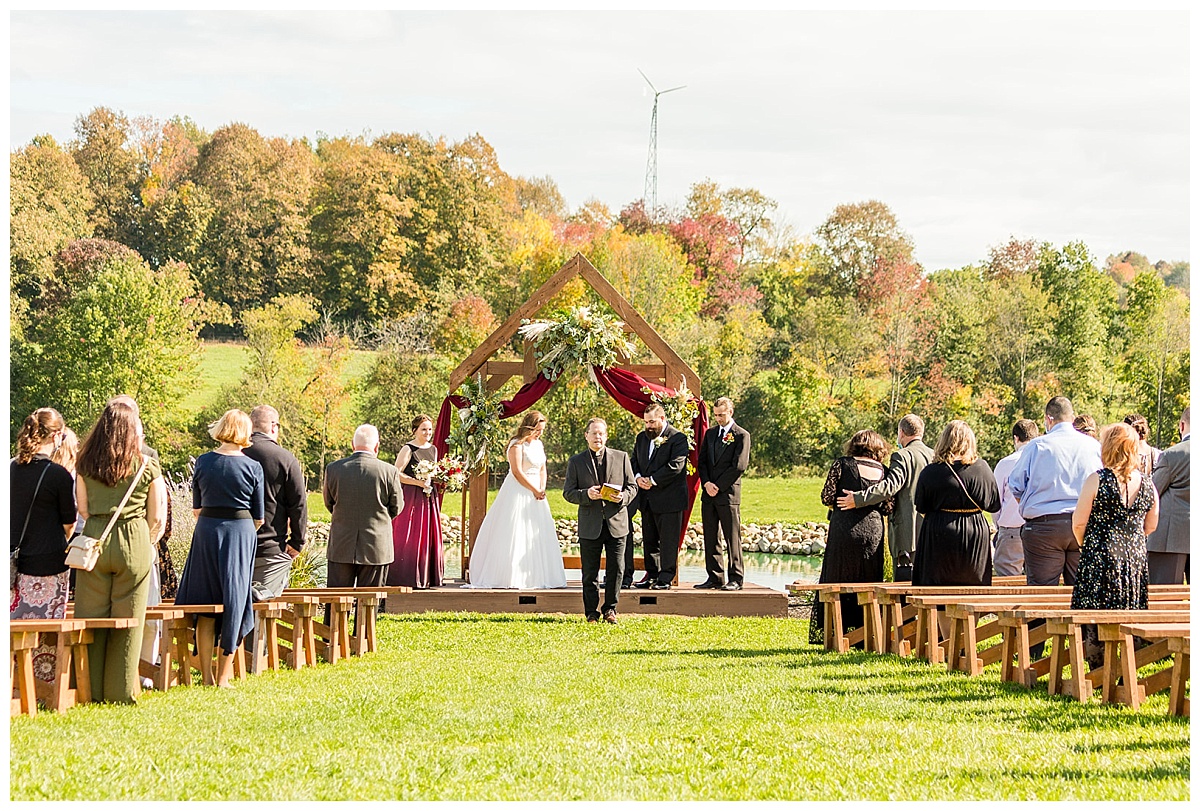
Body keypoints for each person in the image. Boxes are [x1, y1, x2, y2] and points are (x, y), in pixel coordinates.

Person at [74, 401, 166, 703]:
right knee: (129, 619)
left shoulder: (84, 462)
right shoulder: (147, 465)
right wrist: (144, 539)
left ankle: (90, 688)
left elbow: (83, 509)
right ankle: (121, 690)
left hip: (95, 539)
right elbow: (157, 516)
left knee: (91, 617)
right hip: (134, 538)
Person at [175, 409, 264, 688]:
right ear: (246, 432)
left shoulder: (203, 461)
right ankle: (223, 677)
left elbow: (196, 509)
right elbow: (259, 516)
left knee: (205, 602)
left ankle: (206, 676)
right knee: (235, 600)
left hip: (207, 531)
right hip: (240, 532)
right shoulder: (253, 467)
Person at [1070, 423, 1159, 664]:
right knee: (1130, 614)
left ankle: (1099, 671)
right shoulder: (1148, 483)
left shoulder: (1097, 480)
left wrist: (1086, 545)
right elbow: (1151, 525)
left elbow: (1079, 523)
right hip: (1134, 560)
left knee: (1094, 618)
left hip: (1100, 556)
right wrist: (1133, 541)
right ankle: (1129, 668)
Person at [10, 409, 78, 704]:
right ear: (57, 436)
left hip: (12, 563)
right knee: (46, 634)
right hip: (49, 562)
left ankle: (13, 687)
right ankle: (42, 692)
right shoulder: (58, 475)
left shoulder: (10, 469)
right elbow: (69, 522)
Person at [1009, 396, 1104, 586]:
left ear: (1048, 419)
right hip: (1084, 523)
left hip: (1043, 526)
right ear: (1072, 417)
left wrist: (1029, 506)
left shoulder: (1037, 446)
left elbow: (1016, 485)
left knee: (1041, 593)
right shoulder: (1093, 446)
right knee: (1083, 591)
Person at [810, 430, 893, 645]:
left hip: (844, 528)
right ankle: (864, 633)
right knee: (868, 579)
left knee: (836, 578)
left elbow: (827, 496)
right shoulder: (884, 471)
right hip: (872, 530)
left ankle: (833, 630)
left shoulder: (842, 464)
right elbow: (888, 507)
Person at [469, 411, 567, 589]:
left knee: (537, 531)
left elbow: (542, 469)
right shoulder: (516, 444)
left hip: (537, 492)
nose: (539, 433)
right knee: (516, 530)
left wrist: (541, 488)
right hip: (519, 490)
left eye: (542, 430)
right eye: (537, 430)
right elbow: (517, 472)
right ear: (529, 427)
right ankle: (511, 576)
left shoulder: (539, 444)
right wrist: (533, 489)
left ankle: (538, 576)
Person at [836, 413, 934, 581]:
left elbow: (889, 486)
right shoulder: (934, 455)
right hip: (931, 528)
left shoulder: (902, 456)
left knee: (904, 583)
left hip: (907, 532)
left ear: (901, 432)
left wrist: (858, 499)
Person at [563, 417, 638, 622]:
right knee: (590, 573)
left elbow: (632, 487)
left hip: (617, 522)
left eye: (601, 433)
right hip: (590, 524)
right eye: (594, 433)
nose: (598, 437)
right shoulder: (576, 461)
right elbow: (568, 493)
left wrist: (623, 497)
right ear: (586, 436)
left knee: (617, 569)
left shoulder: (621, 457)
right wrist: (587, 494)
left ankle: (610, 609)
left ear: (606, 436)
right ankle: (591, 612)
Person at [912, 420, 1001, 586]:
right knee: (973, 586)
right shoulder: (982, 468)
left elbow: (921, 507)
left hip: (939, 532)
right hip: (975, 533)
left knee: (936, 588)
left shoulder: (931, 472)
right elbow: (993, 504)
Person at [324, 424, 403, 593]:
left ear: (353, 445)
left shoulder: (333, 469)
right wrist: (380, 519)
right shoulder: (389, 471)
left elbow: (329, 503)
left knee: (336, 599)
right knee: (370, 601)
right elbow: (397, 506)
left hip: (341, 544)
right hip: (376, 545)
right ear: (377, 446)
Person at [243, 405, 308, 599]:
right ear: (273, 426)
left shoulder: (235, 453)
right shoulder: (285, 458)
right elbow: (298, 504)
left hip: (236, 546)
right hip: (271, 547)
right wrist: (297, 542)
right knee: (265, 606)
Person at [631, 403, 690, 590]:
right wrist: (638, 477)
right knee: (649, 540)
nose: (648, 426)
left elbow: (676, 466)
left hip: (669, 499)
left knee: (668, 541)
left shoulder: (678, 438)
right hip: (647, 499)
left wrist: (652, 480)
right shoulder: (642, 438)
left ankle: (665, 578)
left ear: (662, 419)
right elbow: (634, 461)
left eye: (652, 422)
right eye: (646, 422)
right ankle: (652, 575)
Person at [696, 397, 751, 591]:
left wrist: (718, 486)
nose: (718, 418)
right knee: (711, 537)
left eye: (722, 414)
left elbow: (739, 466)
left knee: (732, 537)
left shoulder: (741, 435)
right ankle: (715, 577)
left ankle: (736, 578)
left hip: (728, 494)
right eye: (716, 415)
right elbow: (702, 462)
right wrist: (706, 483)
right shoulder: (711, 434)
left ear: (730, 412)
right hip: (708, 494)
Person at [388, 414, 444, 589]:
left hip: (429, 496)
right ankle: (406, 574)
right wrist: (418, 482)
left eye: (429, 429)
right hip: (412, 495)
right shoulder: (408, 449)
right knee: (410, 533)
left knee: (428, 532)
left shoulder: (433, 449)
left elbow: (434, 472)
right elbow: (397, 473)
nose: (428, 432)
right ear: (415, 430)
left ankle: (427, 575)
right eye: (423, 429)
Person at [989, 419, 1040, 577]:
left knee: (1008, 580)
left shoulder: (1005, 463)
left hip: (1011, 528)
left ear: (1016, 438)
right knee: (1038, 579)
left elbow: (995, 501)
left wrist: (999, 524)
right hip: (1040, 528)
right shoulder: (1043, 461)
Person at [1146, 406, 1189, 584]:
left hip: (1169, 539)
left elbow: (1152, 493)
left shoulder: (1171, 455)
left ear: (1182, 425)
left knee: (1164, 595)